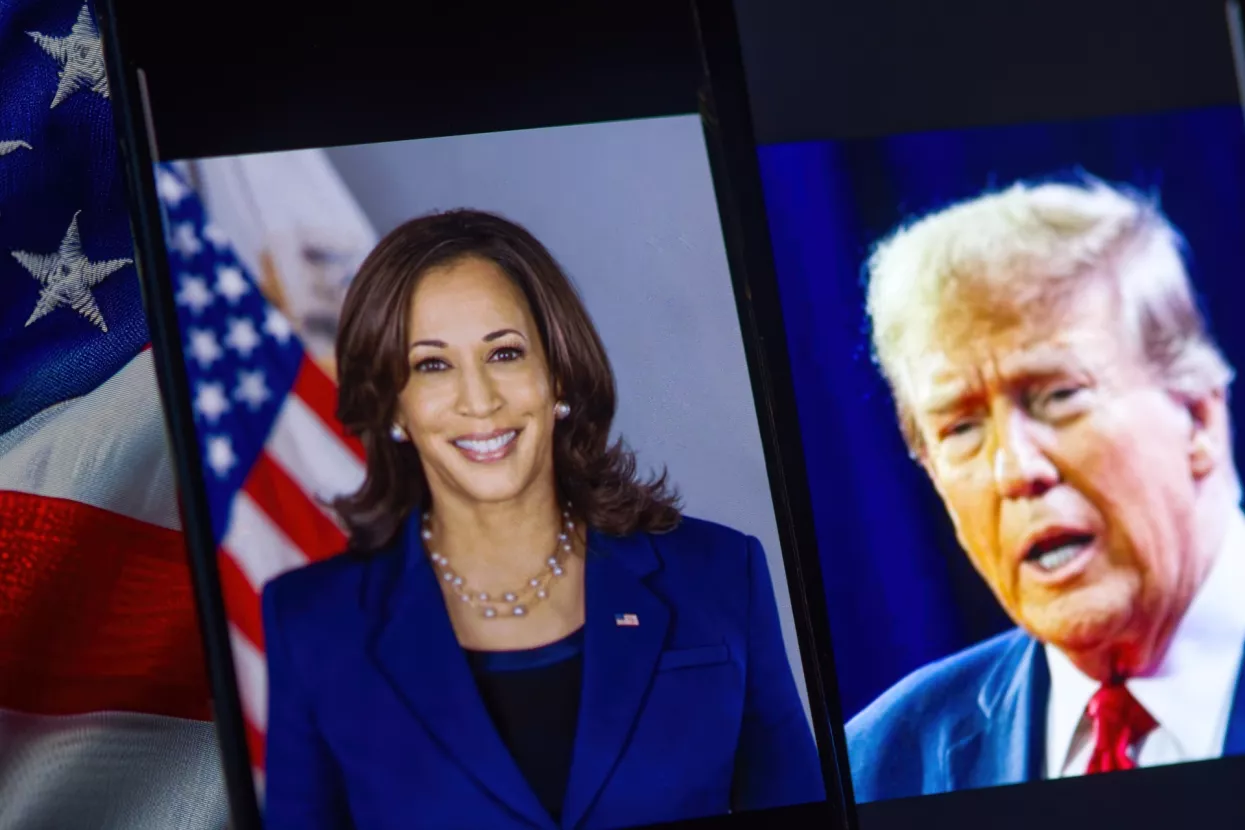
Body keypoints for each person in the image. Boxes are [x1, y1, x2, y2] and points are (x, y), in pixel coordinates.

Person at [259, 209, 825, 829]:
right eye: (432, 364)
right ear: (394, 405)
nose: (480, 400)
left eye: (504, 353)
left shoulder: (720, 574)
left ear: (557, 373)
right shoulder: (312, 626)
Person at [847, 177, 1245, 803]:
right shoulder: (875, 768)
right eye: (961, 427)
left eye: (1059, 396)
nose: (1014, 470)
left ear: (1197, 415)